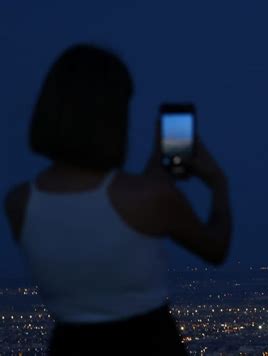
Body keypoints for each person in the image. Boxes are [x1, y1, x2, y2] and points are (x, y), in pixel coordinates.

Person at [3, 43, 232, 355]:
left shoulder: (19, 204)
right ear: (113, 117)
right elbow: (215, 247)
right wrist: (219, 183)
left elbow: (103, 216)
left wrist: (154, 169)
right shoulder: (148, 198)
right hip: (148, 344)